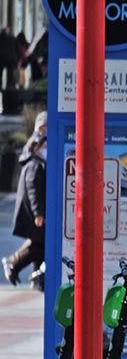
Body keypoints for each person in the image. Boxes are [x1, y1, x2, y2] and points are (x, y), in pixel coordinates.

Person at [5, 112, 47, 290]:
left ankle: (37, 278)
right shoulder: (34, 161)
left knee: (41, 242)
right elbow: (32, 188)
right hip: (32, 212)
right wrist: (38, 213)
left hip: (34, 211)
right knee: (40, 243)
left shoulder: (35, 156)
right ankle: (14, 264)